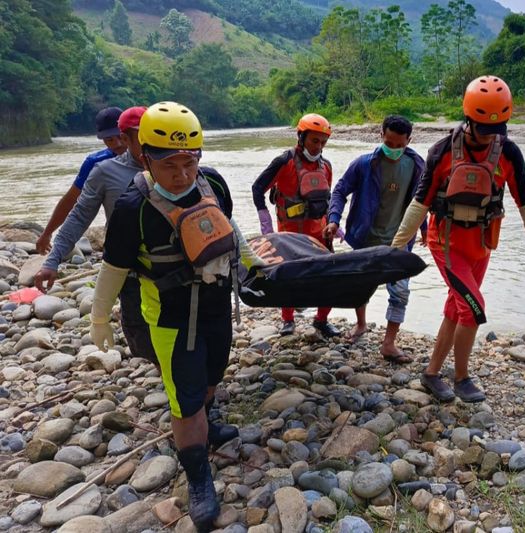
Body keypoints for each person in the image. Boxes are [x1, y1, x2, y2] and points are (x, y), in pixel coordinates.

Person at [90, 102, 246, 531]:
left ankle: (207, 422)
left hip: (217, 308)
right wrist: (99, 317)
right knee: (184, 397)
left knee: (213, 375)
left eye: (189, 161)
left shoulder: (212, 182)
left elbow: (231, 232)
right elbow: (114, 269)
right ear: (145, 156)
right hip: (170, 320)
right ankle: (198, 476)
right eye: (170, 163)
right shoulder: (131, 208)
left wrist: (253, 265)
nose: (182, 173)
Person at [391, 75, 525, 403]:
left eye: (498, 130)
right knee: (474, 308)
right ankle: (462, 377)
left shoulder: (508, 152)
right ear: (469, 119)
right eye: (484, 129)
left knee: (456, 306)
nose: (491, 137)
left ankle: (431, 374)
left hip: (481, 244)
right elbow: (420, 202)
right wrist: (396, 250)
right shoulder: (442, 151)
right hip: (446, 243)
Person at [33, 106, 159, 364]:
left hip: (171, 264)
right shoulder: (103, 170)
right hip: (129, 268)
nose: (150, 143)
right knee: (140, 334)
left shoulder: (171, 163)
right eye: (142, 136)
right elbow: (78, 214)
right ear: (126, 138)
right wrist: (52, 259)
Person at [322, 115, 426, 363]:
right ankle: (361, 324)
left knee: (400, 292)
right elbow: (339, 191)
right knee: (361, 286)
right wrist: (333, 219)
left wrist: (425, 229)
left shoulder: (417, 165)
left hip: (399, 241)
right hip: (365, 237)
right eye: (389, 143)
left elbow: (421, 201)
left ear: (408, 141)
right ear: (381, 136)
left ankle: (389, 343)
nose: (393, 149)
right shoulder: (364, 164)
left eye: (399, 145)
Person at [251, 113, 341, 338]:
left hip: (318, 234)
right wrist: (265, 221)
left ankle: (321, 320)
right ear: (301, 137)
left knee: (329, 277)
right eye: (314, 141)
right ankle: (288, 320)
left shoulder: (326, 166)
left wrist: (334, 223)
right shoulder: (284, 161)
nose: (319, 146)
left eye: (323, 142)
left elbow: (327, 198)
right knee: (288, 278)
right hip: (289, 235)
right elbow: (257, 188)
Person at [36, 107, 126, 254]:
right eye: (109, 139)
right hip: (120, 237)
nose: (117, 143)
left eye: (120, 137)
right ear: (102, 139)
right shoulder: (96, 163)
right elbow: (72, 199)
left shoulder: (151, 155)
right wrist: (47, 233)